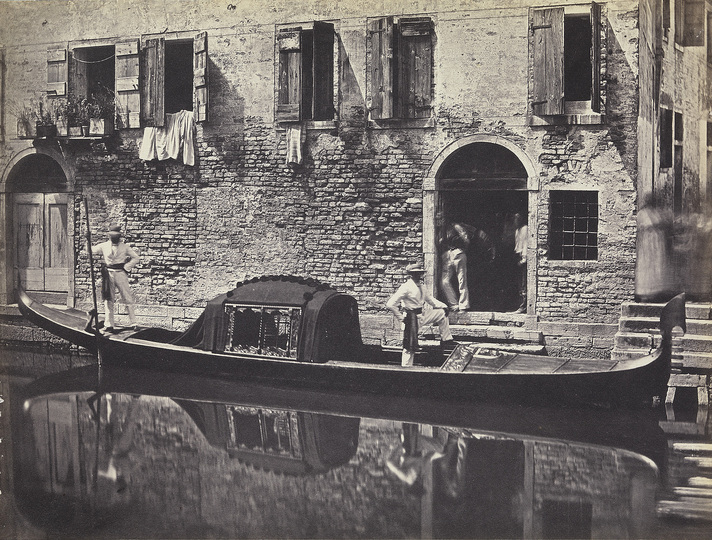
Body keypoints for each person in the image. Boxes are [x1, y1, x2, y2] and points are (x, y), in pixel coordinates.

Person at [386, 262, 455, 367]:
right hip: (410, 318)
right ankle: (406, 369)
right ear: (411, 275)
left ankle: (447, 339)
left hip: (422, 315)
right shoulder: (405, 287)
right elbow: (390, 304)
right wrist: (401, 318)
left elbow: (430, 300)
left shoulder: (422, 286)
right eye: (416, 273)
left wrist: (444, 306)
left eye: (420, 273)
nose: (418, 275)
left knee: (442, 313)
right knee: (409, 347)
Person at [92, 224, 140, 332]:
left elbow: (136, 257)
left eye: (116, 236)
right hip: (108, 274)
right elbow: (91, 250)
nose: (114, 238)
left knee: (127, 298)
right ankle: (109, 324)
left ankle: (134, 323)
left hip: (120, 273)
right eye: (112, 236)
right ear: (109, 236)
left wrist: (126, 267)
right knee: (108, 299)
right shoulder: (104, 245)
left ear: (119, 236)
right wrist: (87, 240)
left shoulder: (125, 247)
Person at [513, 213, 527, 313]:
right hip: (518, 256)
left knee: (523, 282)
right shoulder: (517, 230)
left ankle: (523, 305)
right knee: (519, 282)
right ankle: (520, 304)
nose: (515, 221)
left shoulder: (525, 229)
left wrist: (524, 259)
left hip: (523, 257)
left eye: (516, 219)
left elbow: (525, 244)